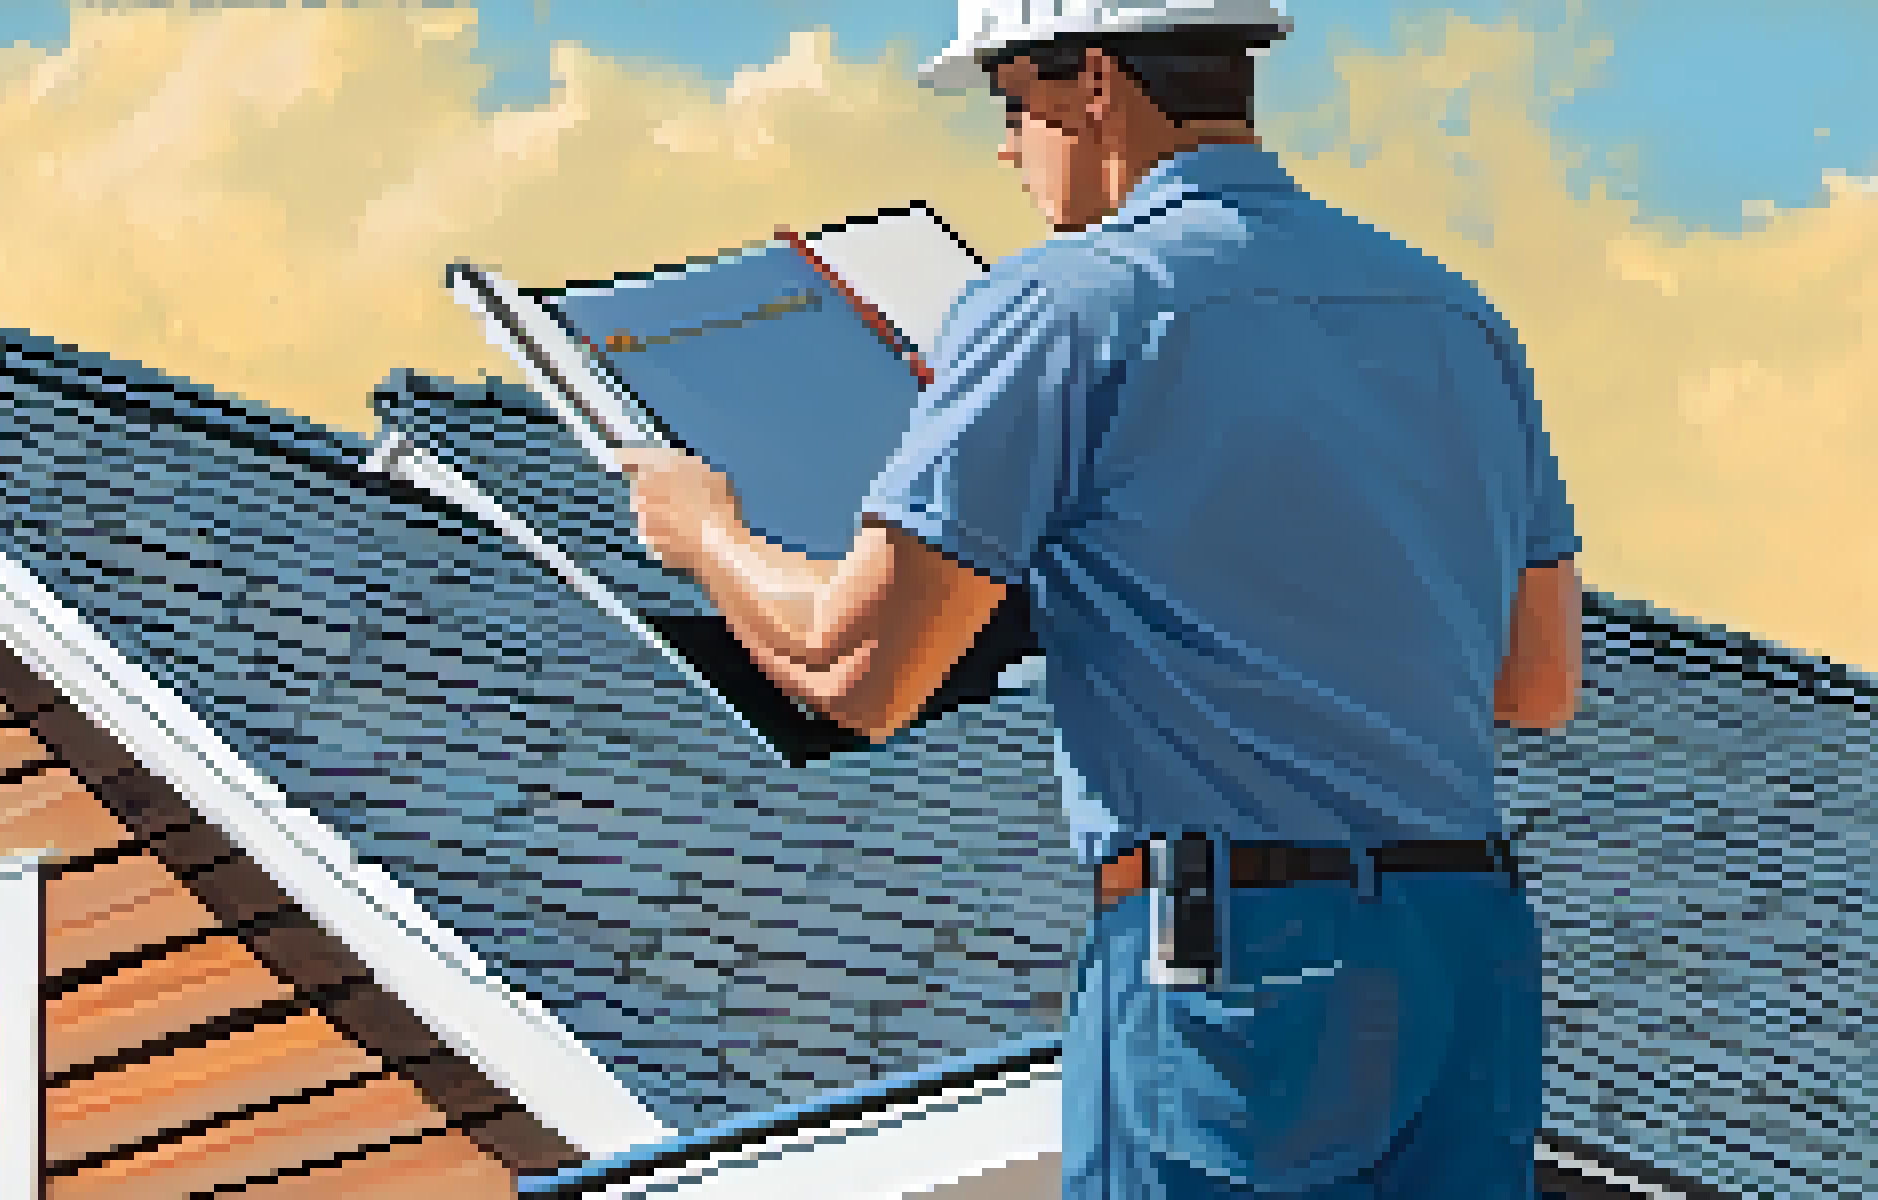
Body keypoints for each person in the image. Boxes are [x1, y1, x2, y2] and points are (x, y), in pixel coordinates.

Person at [615, 1, 1583, 1196]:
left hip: (1236, 971)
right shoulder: (1457, 318)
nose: (1006, 148)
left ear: (1095, 84)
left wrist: (706, 533)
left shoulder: (1065, 305)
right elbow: (1538, 680)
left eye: (1012, 105)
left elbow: (853, 670)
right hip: (1467, 955)